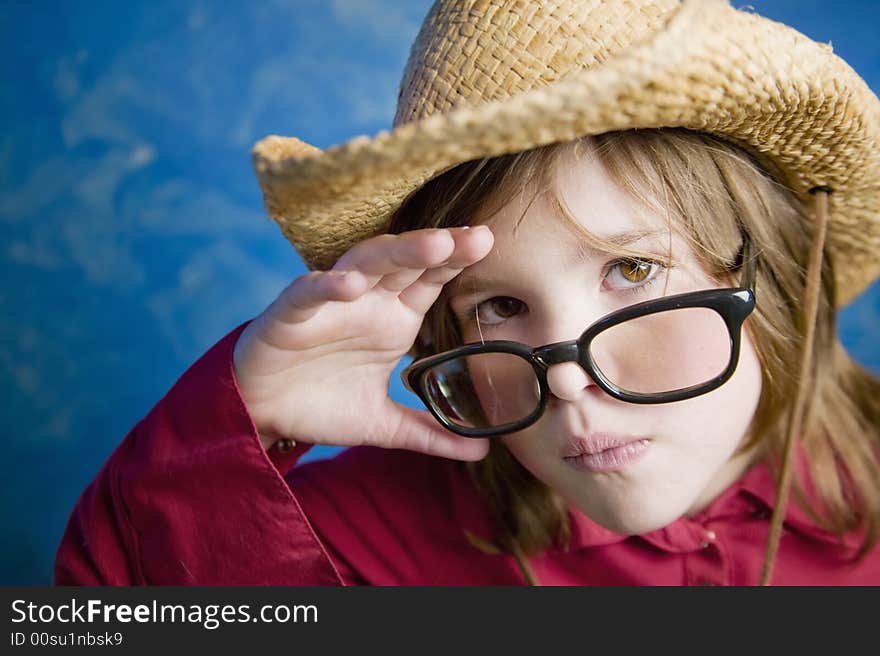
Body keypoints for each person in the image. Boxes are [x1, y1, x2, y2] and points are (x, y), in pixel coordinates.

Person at [55, 0, 880, 585]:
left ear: (772, 276)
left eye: (632, 270)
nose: (563, 380)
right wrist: (239, 421)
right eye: (500, 307)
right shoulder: (354, 537)